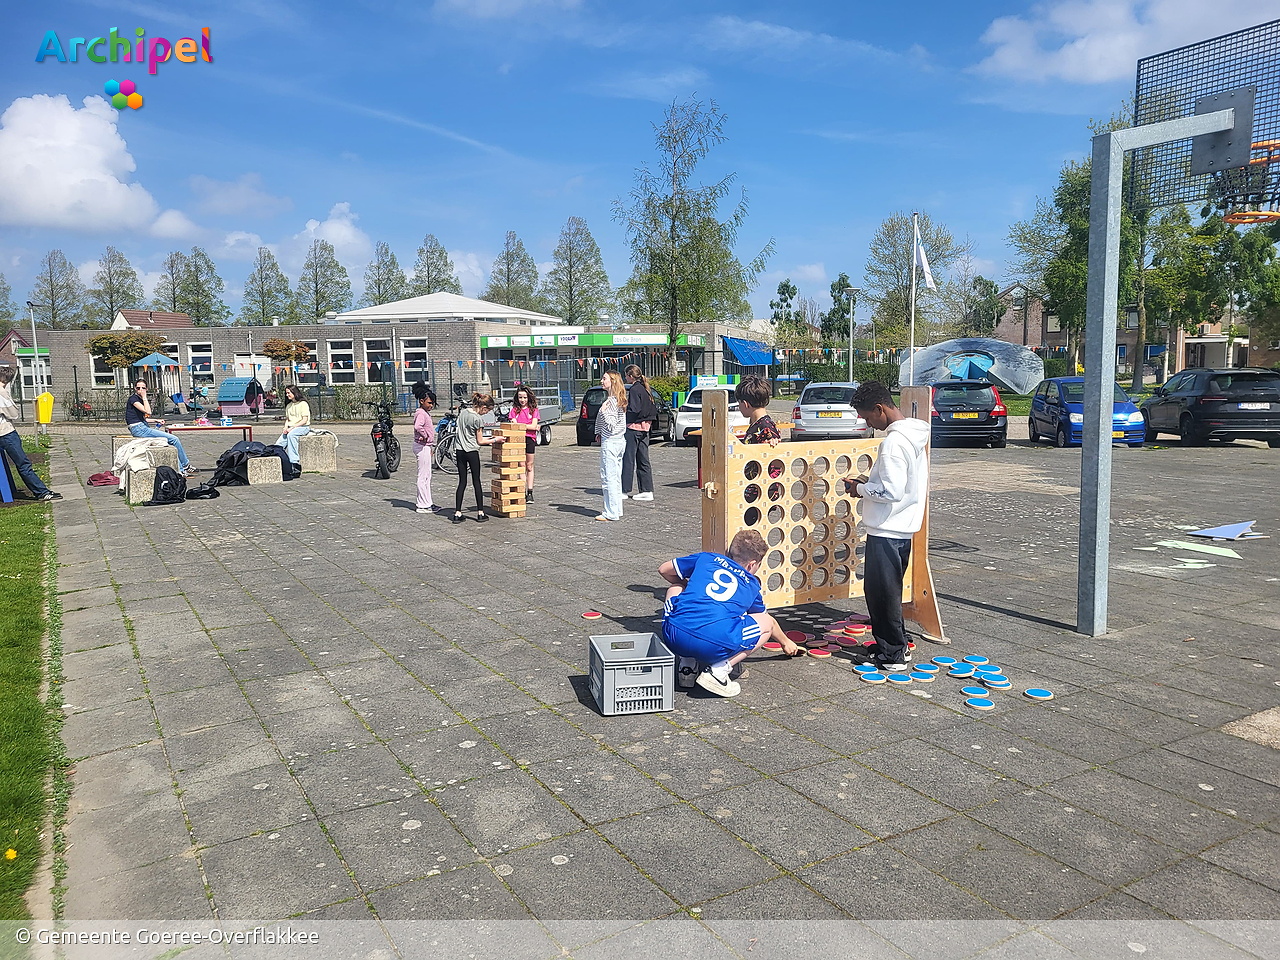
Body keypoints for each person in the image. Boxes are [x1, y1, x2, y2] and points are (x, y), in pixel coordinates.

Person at [841, 381, 930, 673]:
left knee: (882, 594)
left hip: (887, 529)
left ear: (880, 409)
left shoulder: (893, 443)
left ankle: (892, 654)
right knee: (889, 591)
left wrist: (859, 489)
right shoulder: (913, 436)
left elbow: (890, 491)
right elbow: (900, 486)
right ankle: (896, 644)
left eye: (868, 417)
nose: (869, 424)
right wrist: (870, 483)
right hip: (902, 526)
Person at [659, 529, 803, 698]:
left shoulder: (707, 558)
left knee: (675, 588)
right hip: (713, 645)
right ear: (752, 564)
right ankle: (719, 672)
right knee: (766, 624)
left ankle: (687, 666)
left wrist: (686, 585)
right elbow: (767, 621)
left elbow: (664, 569)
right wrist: (785, 642)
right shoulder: (752, 585)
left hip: (674, 637)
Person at [0, 366, 61, 502]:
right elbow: (14, 414)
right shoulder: (1, 392)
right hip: (6, 433)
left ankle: (10, 490)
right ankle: (42, 492)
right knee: (23, 464)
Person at [125, 378, 195, 477]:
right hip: (139, 429)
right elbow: (148, 412)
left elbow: (141, 418)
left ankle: (181, 469)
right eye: (138, 388)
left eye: (143, 388)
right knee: (174, 439)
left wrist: (155, 420)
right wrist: (144, 397)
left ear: (147, 389)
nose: (141, 390)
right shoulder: (134, 399)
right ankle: (185, 466)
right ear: (135, 389)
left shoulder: (139, 399)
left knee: (168, 443)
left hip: (141, 426)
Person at [453, 392, 504, 524]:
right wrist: (495, 439)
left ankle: (457, 513)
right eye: (487, 411)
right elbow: (480, 441)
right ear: (483, 407)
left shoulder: (463, 413)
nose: (486, 413)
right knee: (476, 481)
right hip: (472, 452)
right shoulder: (477, 419)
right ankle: (480, 512)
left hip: (460, 450)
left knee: (462, 482)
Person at [594, 371, 628, 522]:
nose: (601, 381)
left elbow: (611, 424)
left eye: (604, 378)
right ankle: (617, 509)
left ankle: (611, 512)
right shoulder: (617, 399)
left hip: (611, 442)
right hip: (619, 441)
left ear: (612, 381)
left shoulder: (612, 402)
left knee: (608, 478)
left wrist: (603, 411)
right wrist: (598, 431)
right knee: (616, 477)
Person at [621, 364, 657, 501]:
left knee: (628, 459)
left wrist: (624, 417)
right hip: (645, 428)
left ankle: (624, 490)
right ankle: (647, 490)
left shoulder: (635, 389)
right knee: (643, 460)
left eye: (626, 375)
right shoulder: (645, 389)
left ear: (630, 376)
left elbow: (634, 409)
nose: (625, 378)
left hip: (634, 428)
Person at [509, 384, 539, 503]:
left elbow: (533, 425)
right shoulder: (514, 411)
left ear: (529, 398)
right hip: (518, 439)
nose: (523, 400)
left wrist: (523, 426)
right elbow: (515, 425)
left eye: (525, 397)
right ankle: (522, 491)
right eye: (520, 397)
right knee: (521, 465)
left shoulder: (534, 410)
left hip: (530, 439)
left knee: (529, 465)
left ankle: (530, 491)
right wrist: (529, 426)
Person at [412, 384, 439, 514]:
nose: (431, 405)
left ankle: (428, 502)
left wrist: (430, 445)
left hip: (426, 446)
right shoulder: (421, 413)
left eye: (432, 403)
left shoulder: (424, 413)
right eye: (429, 403)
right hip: (421, 446)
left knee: (427, 475)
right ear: (421, 401)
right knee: (423, 476)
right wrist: (426, 435)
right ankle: (422, 505)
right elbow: (418, 427)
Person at [274, 384, 311, 472]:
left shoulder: (303, 404)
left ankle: (294, 462)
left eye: (289, 393)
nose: (287, 395)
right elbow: (288, 419)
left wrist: (293, 428)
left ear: (294, 392)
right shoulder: (289, 405)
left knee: (291, 435)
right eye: (286, 393)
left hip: (302, 427)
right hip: (291, 427)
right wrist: (285, 428)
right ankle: (277, 461)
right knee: (279, 444)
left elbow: (304, 420)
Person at [736, 375, 781, 446]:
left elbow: (772, 448)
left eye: (739, 403)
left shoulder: (766, 427)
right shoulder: (758, 424)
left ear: (745, 404)